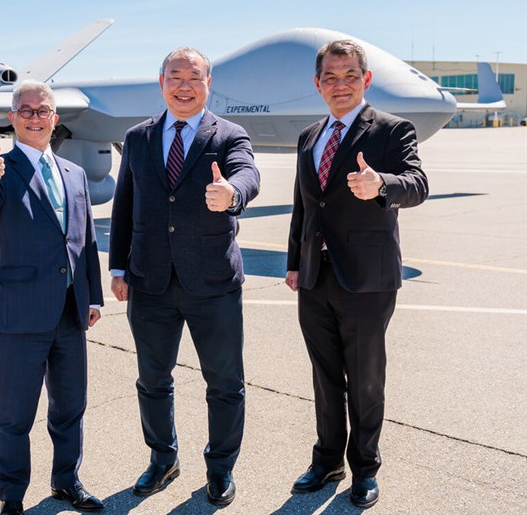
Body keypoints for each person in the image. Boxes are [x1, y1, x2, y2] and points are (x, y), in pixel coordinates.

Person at [109, 47, 260, 507]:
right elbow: (124, 204)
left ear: (208, 84)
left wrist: (232, 193)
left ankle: (220, 468)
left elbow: (248, 173)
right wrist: (118, 266)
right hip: (149, 281)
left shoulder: (229, 135)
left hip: (212, 282)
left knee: (224, 382)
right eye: (175, 76)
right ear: (161, 83)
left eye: (194, 77)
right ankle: (162, 458)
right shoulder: (137, 137)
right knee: (153, 380)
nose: (184, 85)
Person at [285, 39, 428, 508]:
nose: (339, 85)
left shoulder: (390, 130)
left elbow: (418, 183)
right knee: (325, 378)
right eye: (330, 77)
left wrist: (381, 184)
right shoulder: (310, 136)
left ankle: (364, 469)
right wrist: (293, 262)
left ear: (366, 80)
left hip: (367, 279)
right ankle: (327, 460)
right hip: (314, 276)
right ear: (317, 84)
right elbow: (304, 206)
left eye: (350, 76)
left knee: (365, 379)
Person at [0, 80, 104, 515]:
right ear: (12, 117)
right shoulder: (1, 168)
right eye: (25, 110)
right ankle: (11, 496)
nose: (34, 117)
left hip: (69, 311)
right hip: (19, 313)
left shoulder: (74, 174)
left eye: (43, 110)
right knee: (13, 414)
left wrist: (93, 296)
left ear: (55, 119)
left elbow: (87, 241)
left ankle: (67, 481)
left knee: (70, 407)